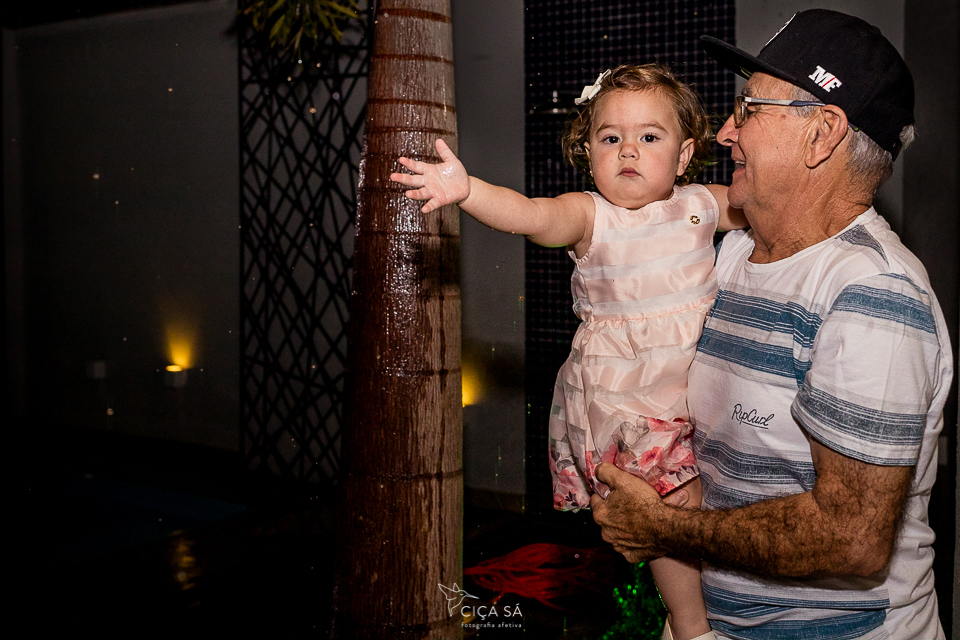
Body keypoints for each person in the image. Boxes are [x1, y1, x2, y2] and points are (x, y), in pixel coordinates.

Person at [589, 10, 953, 640]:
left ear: (822, 135)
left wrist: (665, 529)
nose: (726, 132)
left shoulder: (873, 294)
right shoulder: (733, 256)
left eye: (749, 109)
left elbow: (851, 540)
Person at [392, 64, 745, 640]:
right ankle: (691, 625)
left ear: (684, 156)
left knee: (710, 501)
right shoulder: (590, 215)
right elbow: (532, 215)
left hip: (698, 384)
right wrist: (469, 191)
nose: (628, 149)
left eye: (649, 136)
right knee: (669, 503)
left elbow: (768, 208)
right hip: (628, 397)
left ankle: (701, 613)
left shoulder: (703, 204)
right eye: (610, 138)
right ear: (588, 153)